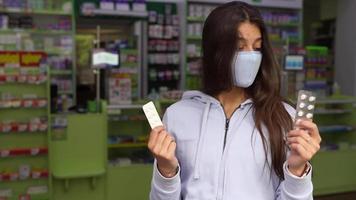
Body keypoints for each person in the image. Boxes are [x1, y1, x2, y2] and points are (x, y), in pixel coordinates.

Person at [148, 1, 321, 200]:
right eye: (239, 47)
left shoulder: (283, 117)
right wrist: (166, 171)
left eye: (257, 47)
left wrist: (297, 171)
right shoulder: (178, 115)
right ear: (215, 51)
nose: (250, 56)